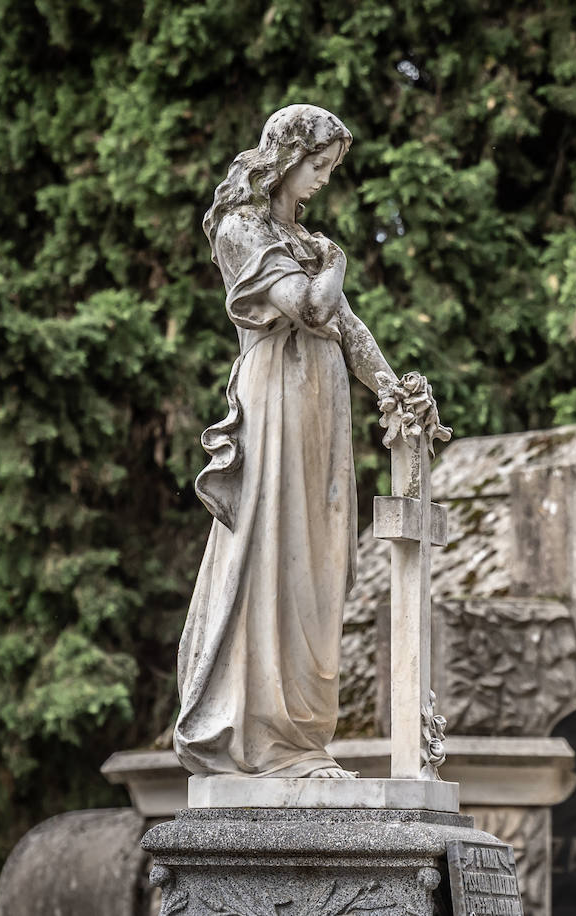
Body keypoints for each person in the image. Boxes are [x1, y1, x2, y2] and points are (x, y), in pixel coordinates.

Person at [175, 104, 402, 778]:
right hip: (275, 407)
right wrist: (338, 262)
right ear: (285, 158)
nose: (324, 180)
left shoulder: (307, 242)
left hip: (320, 410)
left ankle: (303, 739)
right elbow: (310, 306)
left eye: (331, 168)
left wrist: (390, 387)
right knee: (277, 553)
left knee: (322, 560)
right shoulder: (243, 230)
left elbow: (349, 329)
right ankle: (265, 737)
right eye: (320, 166)